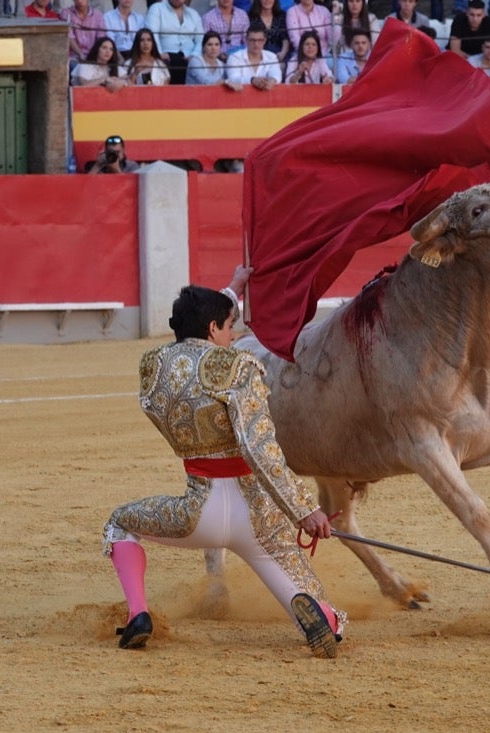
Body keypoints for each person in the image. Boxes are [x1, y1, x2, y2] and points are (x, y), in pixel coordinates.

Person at [102, 267, 346, 658]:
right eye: (229, 326)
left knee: (119, 523)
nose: (233, 336)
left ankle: (138, 614)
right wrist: (305, 510)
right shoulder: (236, 366)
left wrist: (231, 291)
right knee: (306, 593)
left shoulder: (155, 369)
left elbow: (188, 346)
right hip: (257, 520)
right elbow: (259, 448)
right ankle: (319, 615)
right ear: (214, 328)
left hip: (196, 513)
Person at [145, 0, 205, 85]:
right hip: (166, 57)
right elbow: (152, 34)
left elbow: (201, 39)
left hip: (189, 57)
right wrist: (159, 54)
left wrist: (194, 56)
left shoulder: (193, 14)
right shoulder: (157, 9)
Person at [226, 20, 284, 89]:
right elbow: (233, 78)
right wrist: (252, 80)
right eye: (252, 40)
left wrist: (272, 81)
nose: (256, 44)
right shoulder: (235, 57)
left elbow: (276, 75)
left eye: (259, 40)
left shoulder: (271, 56)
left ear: (264, 41)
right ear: (246, 40)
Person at [449, 0, 490, 65]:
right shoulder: (459, 20)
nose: (475, 19)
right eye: (472, 15)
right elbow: (455, 50)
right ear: (467, 13)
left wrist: (476, 60)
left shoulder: (488, 22)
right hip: (461, 58)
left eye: (479, 15)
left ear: (484, 14)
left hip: (481, 60)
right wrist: (473, 60)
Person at [61, 0, 106, 68]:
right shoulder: (66, 13)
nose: (79, 1)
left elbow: (101, 37)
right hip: (74, 57)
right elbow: (69, 37)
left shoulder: (97, 15)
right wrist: (80, 54)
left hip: (93, 56)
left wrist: (94, 55)